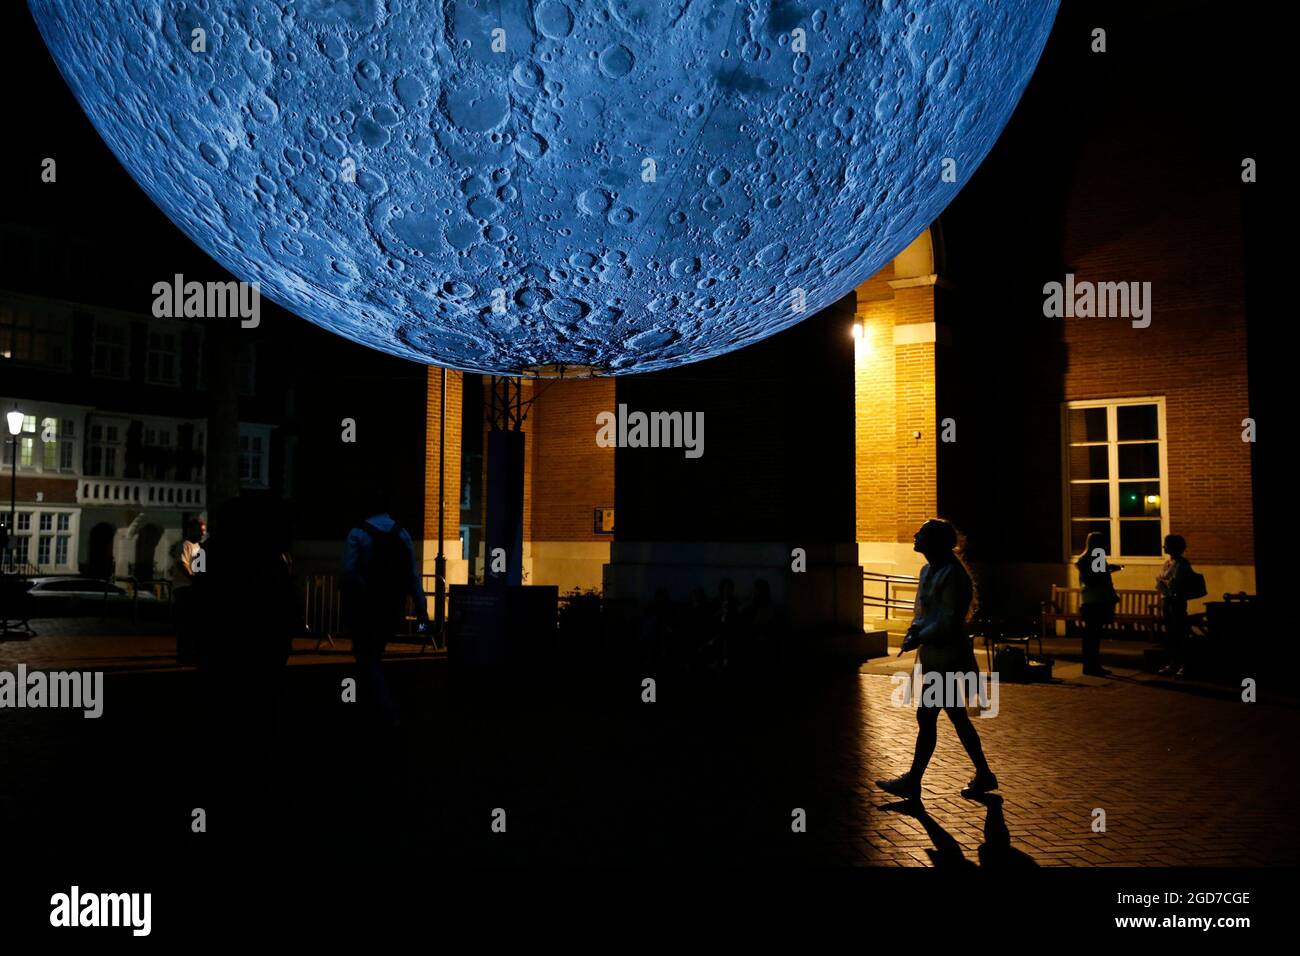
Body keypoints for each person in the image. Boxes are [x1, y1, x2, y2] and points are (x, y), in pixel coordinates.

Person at [876, 519, 997, 801]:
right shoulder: (928, 570)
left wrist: (920, 635)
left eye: (922, 533)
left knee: (928, 716)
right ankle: (983, 773)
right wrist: (914, 630)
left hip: (948, 658)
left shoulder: (952, 575)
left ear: (935, 541)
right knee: (956, 718)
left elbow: (948, 619)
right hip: (934, 656)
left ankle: (914, 780)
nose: (916, 536)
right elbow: (923, 611)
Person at [341, 489, 427, 727]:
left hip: (365, 607)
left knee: (365, 656)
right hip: (392, 606)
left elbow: (348, 573)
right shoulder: (402, 534)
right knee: (375, 653)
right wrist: (422, 613)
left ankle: (379, 708)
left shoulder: (358, 532)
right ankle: (376, 705)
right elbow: (412, 576)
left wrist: (359, 594)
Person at [1075, 531, 1120, 677]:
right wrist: (1108, 570)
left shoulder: (1083, 559)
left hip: (1088, 601)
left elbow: (1092, 575)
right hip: (1099, 600)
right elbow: (1098, 579)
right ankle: (1093, 666)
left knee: (1090, 636)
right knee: (1094, 636)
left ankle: (1089, 665)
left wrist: (1106, 569)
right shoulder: (1098, 556)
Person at [1156, 534, 1196, 677]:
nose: (1163, 546)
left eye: (1166, 544)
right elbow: (1163, 580)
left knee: (1180, 633)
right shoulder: (1167, 563)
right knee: (1171, 634)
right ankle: (1173, 663)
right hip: (1167, 601)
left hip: (1177, 602)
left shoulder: (1182, 563)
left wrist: (1165, 582)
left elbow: (1175, 582)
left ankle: (1185, 665)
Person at [171, 517, 206, 665]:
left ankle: (190, 653)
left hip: (193, 589)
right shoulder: (184, 545)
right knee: (185, 623)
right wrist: (194, 579)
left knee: (192, 624)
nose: (203, 534)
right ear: (191, 530)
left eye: (204, 531)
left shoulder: (200, 548)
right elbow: (181, 564)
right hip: (184, 588)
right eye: (201, 530)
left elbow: (201, 570)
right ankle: (183, 654)